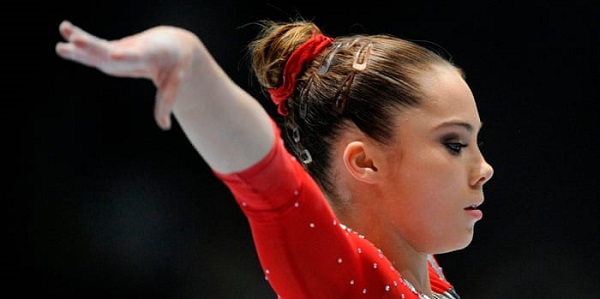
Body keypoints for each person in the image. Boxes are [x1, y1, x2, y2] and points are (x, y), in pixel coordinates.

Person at [55, 17, 494, 298]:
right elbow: (271, 184)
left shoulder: (423, 273)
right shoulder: (349, 283)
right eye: (454, 144)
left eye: (476, 142)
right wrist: (190, 64)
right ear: (365, 163)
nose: (484, 168)